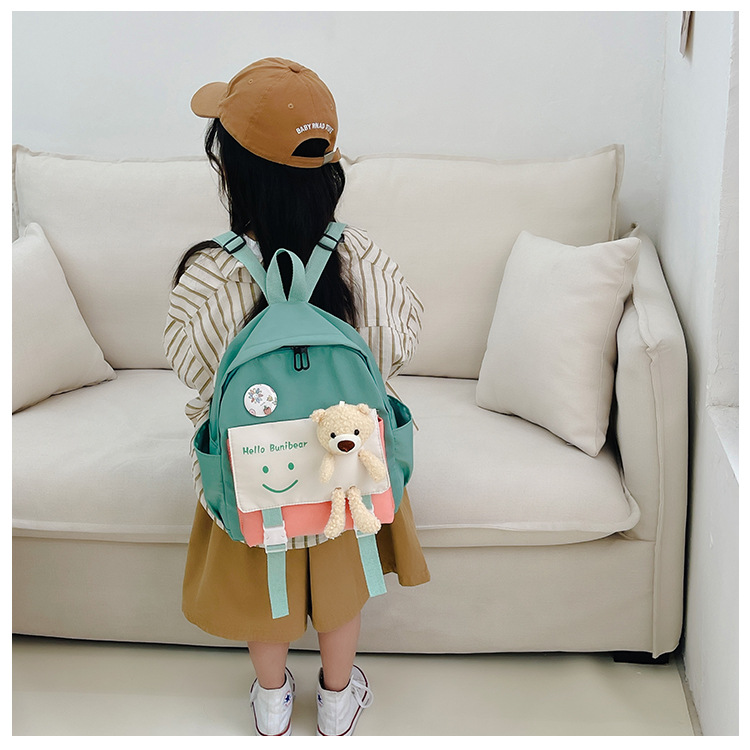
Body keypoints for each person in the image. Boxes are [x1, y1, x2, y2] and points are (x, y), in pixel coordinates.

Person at [163, 57, 430, 737]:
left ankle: (272, 700)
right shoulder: (363, 257)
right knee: (341, 588)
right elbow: (398, 347)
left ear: (233, 169)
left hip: (253, 473)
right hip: (347, 474)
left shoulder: (211, 271)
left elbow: (191, 369)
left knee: (265, 592)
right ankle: (337, 702)